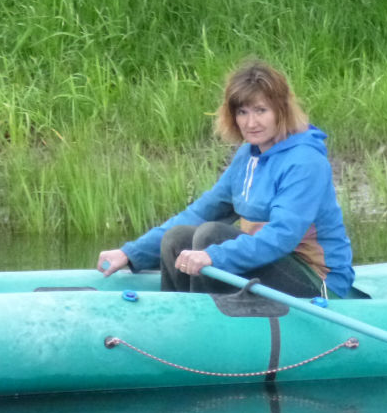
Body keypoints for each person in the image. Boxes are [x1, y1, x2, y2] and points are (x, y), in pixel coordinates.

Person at [97, 61, 354, 298]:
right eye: (242, 112)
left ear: (281, 110)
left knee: (211, 236)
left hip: (316, 278)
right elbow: (199, 213)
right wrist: (131, 253)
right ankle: (181, 322)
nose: (251, 122)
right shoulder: (247, 156)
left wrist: (213, 256)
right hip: (268, 264)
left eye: (261, 110)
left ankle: (208, 326)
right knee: (177, 238)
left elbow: (281, 237)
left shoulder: (305, 162)